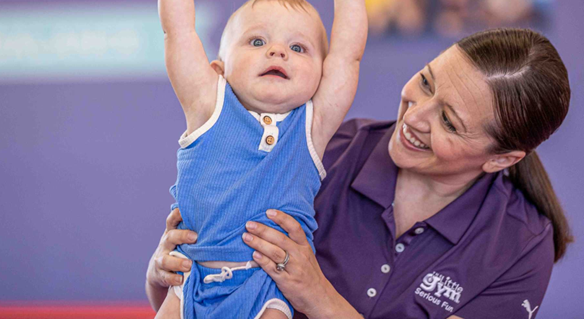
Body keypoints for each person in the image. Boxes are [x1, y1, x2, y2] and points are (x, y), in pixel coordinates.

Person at [147, 28, 572, 318]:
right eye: (425, 83)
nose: (415, 115)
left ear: (501, 159)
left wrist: (319, 299)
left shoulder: (521, 243)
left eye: (449, 122)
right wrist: (167, 271)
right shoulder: (317, 152)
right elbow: (204, 298)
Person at [154, 0, 368, 319]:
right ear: (219, 69)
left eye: (298, 47)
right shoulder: (209, 105)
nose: (277, 51)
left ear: (320, 77)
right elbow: (178, 32)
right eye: (256, 42)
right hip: (191, 278)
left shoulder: (310, 126)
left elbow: (347, 59)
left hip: (266, 284)